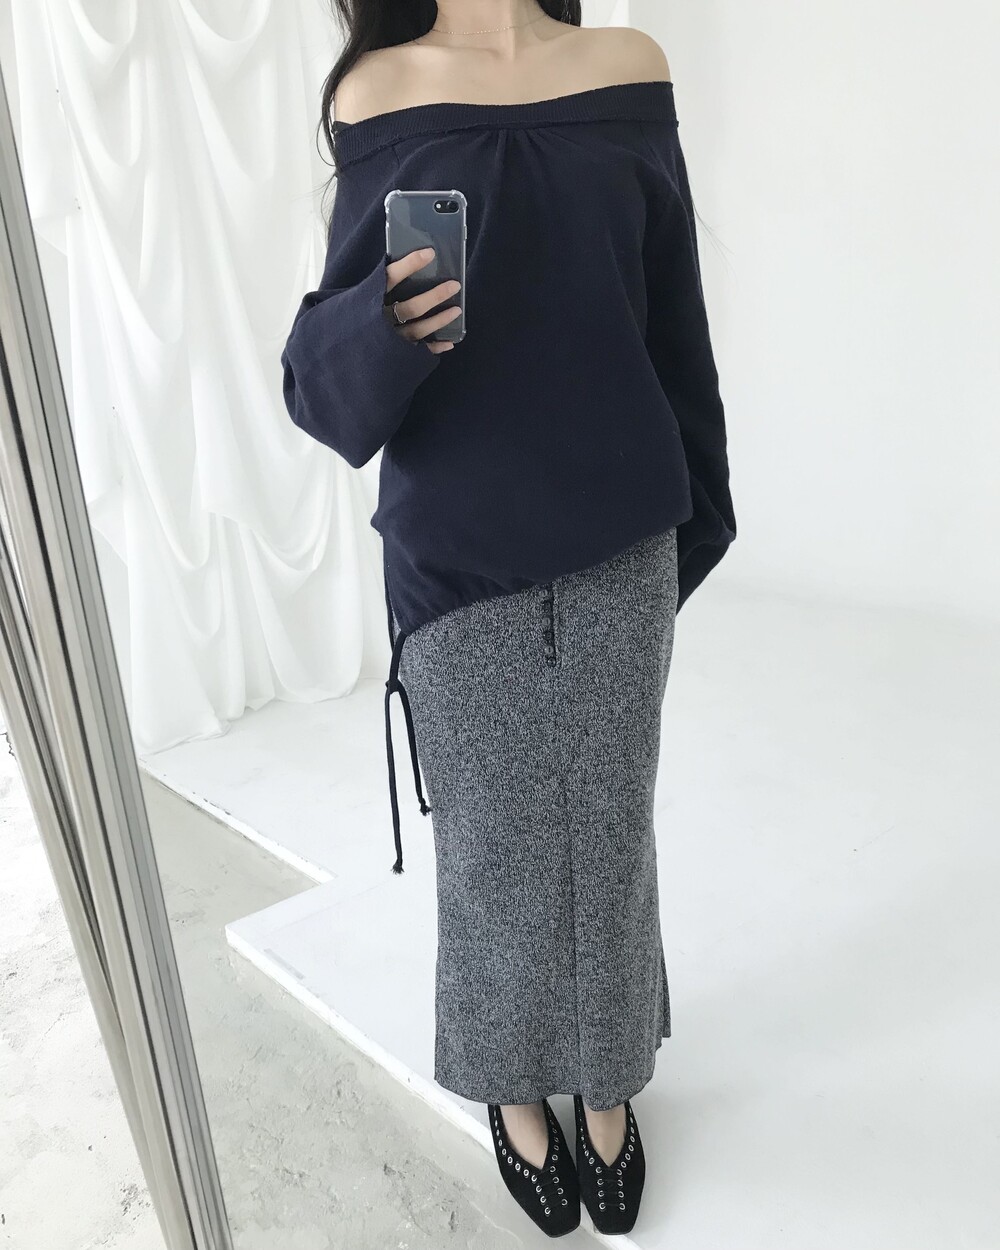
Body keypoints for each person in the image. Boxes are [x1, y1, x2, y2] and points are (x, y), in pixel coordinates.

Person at [280, 1, 736, 1236]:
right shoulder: (376, 91)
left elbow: (674, 314)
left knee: (611, 832)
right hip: (458, 550)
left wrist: (699, 504)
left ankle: (609, 1080)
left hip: (620, 531)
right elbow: (318, 389)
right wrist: (381, 323)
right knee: (491, 850)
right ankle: (512, 1083)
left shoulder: (625, 66)